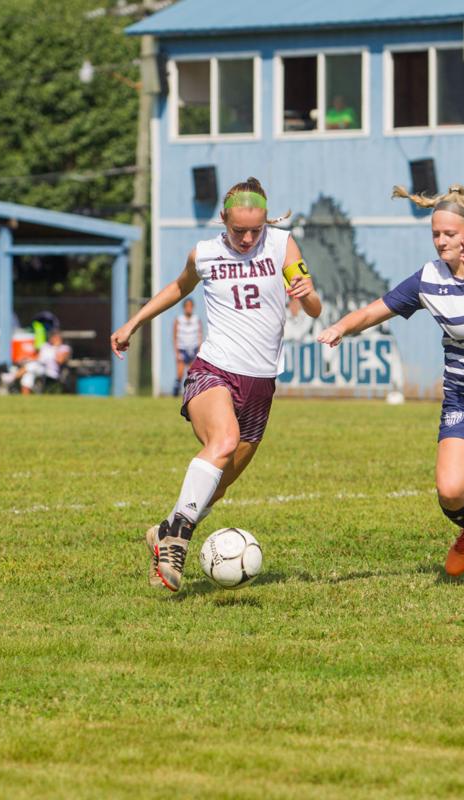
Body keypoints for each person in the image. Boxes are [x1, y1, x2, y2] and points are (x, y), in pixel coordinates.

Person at [318, 184, 464, 588]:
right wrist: (340, 327)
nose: (441, 241)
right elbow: (375, 309)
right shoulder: (428, 279)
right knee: (451, 490)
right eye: (436, 234)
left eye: (449, 234)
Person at [111, 177, 322, 592]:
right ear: (222, 219)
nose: (246, 238)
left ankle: (166, 528)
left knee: (218, 485)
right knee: (223, 441)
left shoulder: (282, 246)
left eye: (254, 230)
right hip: (214, 370)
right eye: (238, 230)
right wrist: (133, 322)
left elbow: (312, 307)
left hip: (261, 385)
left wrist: (308, 292)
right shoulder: (204, 254)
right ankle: (177, 542)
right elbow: (177, 287)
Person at [8, 329, 71, 394]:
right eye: (52, 337)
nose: (53, 338)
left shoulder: (64, 348)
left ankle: (11, 378)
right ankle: (25, 397)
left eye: (55, 337)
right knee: (29, 374)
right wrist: (26, 359)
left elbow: (60, 361)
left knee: (31, 366)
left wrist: (56, 347)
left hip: (51, 371)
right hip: (39, 368)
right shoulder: (45, 346)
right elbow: (38, 358)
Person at [172, 298, 203, 396]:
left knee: (191, 373)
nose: (189, 308)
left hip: (193, 349)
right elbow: (175, 336)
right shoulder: (179, 319)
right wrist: (176, 352)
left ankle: (190, 393)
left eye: (190, 306)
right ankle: (175, 393)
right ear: (184, 308)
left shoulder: (196, 319)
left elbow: (199, 335)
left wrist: (199, 349)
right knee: (180, 373)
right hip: (182, 349)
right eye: (187, 306)